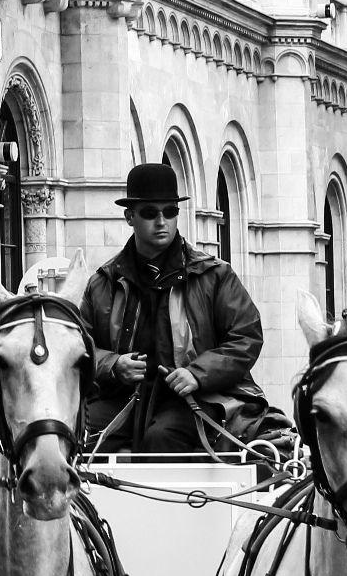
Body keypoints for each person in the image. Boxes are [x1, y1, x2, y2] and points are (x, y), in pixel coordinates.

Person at [77, 161, 282, 454]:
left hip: (200, 398)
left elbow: (246, 337)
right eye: (150, 213)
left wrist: (197, 374)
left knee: (161, 440)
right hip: (122, 399)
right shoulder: (103, 282)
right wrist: (113, 365)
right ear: (129, 217)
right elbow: (79, 347)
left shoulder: (215, 275)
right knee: (73, 432)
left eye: (170, 211)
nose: (162, 221)